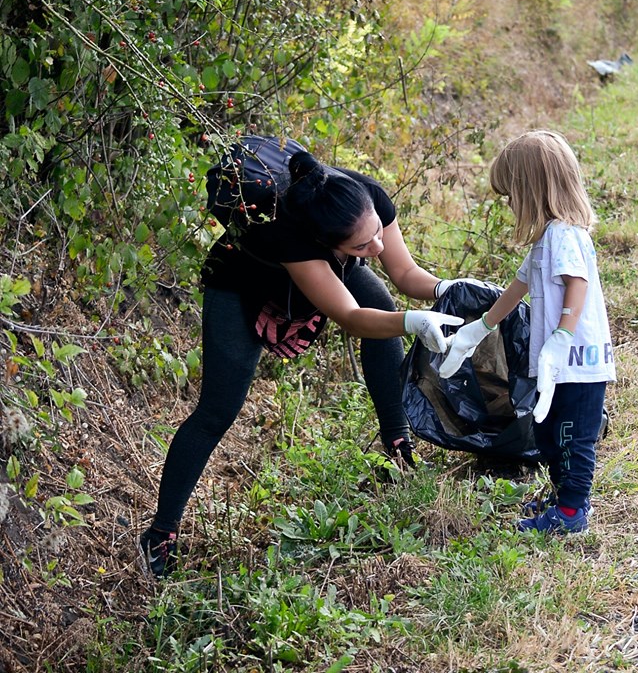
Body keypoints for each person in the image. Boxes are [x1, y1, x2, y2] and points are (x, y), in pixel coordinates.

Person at [140, 149, 465, 578]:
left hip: (322, 261)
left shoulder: (364, 200)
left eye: (376, 233)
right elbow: (351, 318)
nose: (377, 247)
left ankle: (398, 446)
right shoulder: (294, 239)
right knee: (218, 410)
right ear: (327, 243)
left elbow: (404, 274)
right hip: (241, 282)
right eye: (362, 246)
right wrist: (412, 322)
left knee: (382, 298)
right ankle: (160, 533)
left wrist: (453, 288)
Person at [439, 130, 615, 536]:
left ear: (530, 187)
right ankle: (564, 498)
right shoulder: (547, 239)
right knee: (549, 434)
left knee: (572, 436)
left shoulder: (565, 235)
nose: (509, 204)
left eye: (510, 194)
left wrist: (561, 336)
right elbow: (517, 290)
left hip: (575, 361)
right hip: (558, 364)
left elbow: (577, 283)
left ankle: (572, 513)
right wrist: (477, 330)